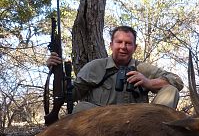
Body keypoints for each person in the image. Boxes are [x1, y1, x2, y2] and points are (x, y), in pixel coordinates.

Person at [47, 26, 184, 113]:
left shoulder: (142, 68)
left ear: (134, 48)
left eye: (128, 43)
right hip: (103, 126)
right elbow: (70, 95)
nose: (123, 47)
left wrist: (148, 82)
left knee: (170, 90)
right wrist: (56, 72)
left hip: (139, 126)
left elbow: (177, 81)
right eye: (119, 42)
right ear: (111, 45)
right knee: (81, 108)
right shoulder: (95, 67)